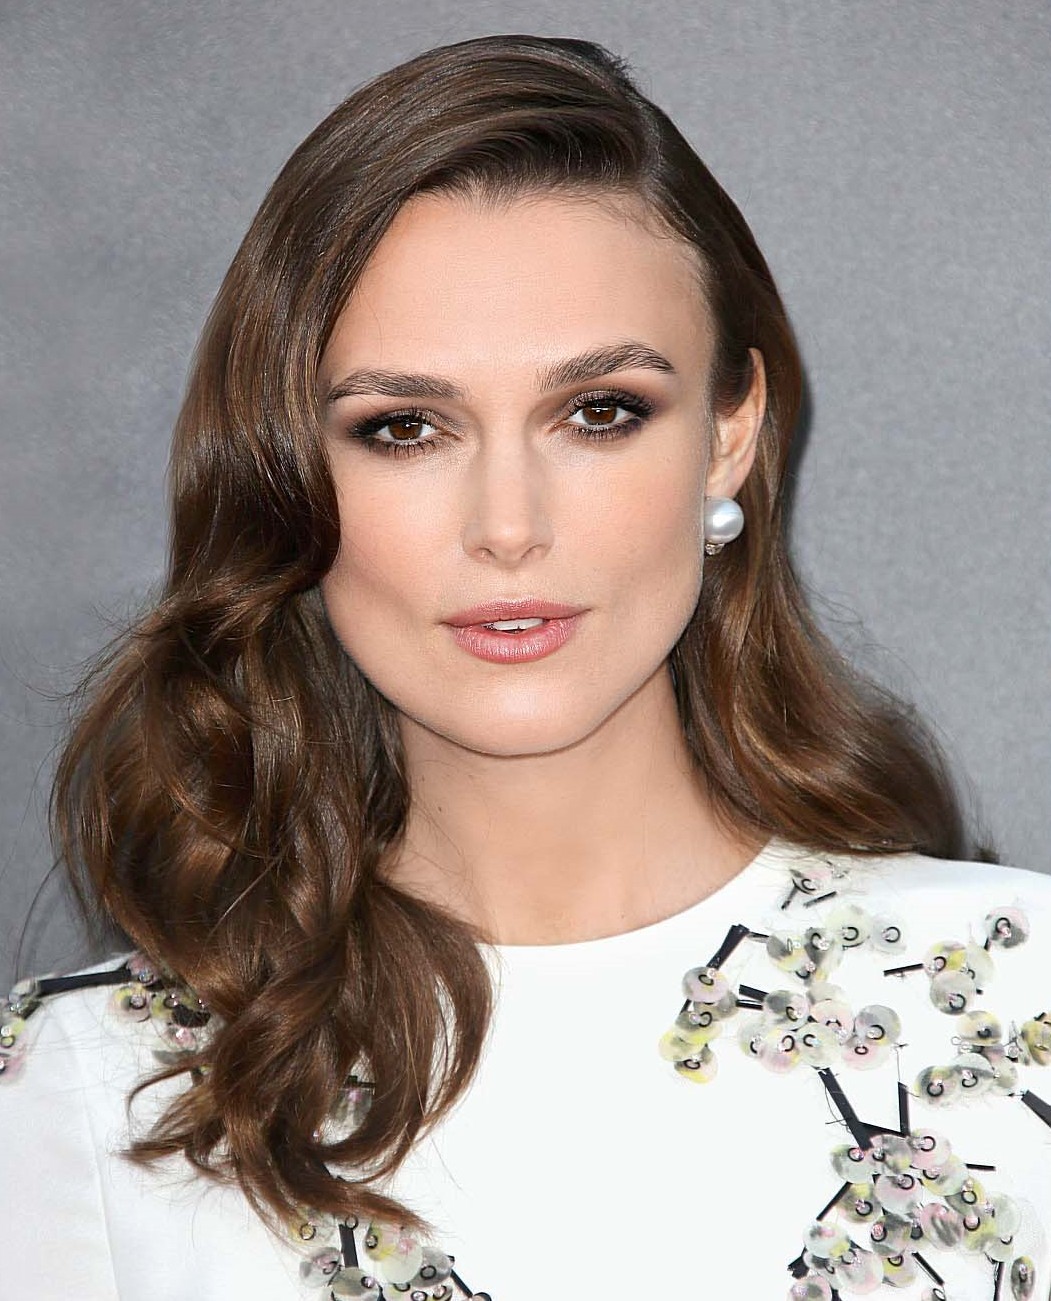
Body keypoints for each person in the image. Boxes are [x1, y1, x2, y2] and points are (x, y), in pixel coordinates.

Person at [2, 33, 1049, 1301]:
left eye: (599, 411)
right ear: (288, 473)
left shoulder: (1020, 993)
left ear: (729, 434)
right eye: (405, 427)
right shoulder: (89, 1094)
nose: (508, 525)